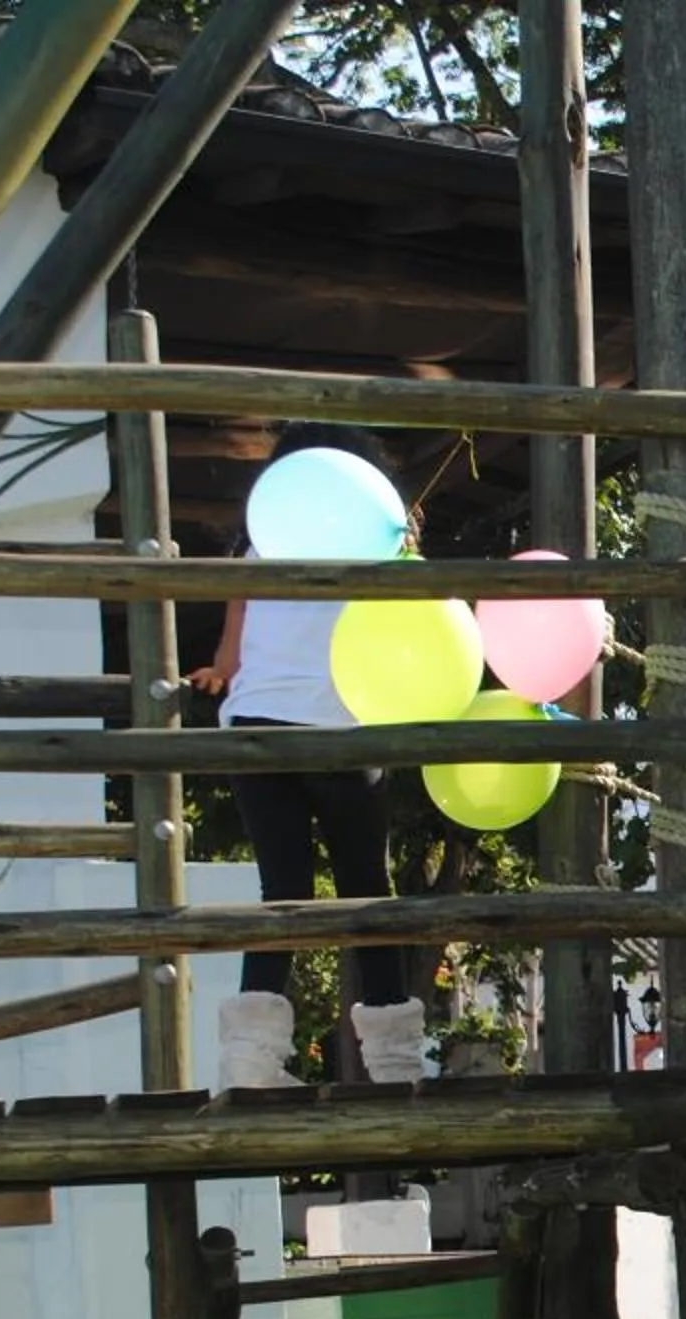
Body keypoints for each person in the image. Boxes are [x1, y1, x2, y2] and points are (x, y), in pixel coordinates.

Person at [185, 423, 427, 1092]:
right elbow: (410, 636)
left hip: (257, 730)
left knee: (281, 890)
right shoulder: (376, 536)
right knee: (366, 892)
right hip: (338, 726)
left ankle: (250, 1061)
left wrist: (222, 675)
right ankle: (394, 1062)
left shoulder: (259, 540)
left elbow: (231, 661)